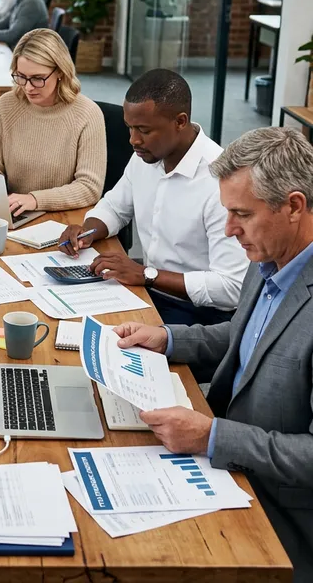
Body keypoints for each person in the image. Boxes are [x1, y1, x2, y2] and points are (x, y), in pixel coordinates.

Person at [113, 127, 313, 580]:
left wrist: (213, 438)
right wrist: (168, 339)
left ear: (294, 206)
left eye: (242, 214)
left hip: (281, 513)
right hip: (227, 469)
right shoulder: (271, 257)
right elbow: (251, 338)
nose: (228, 230)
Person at [59, 68, 248, 326]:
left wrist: (147, 274)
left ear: (180, 122)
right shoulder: (146, 157)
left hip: (198, 314)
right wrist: (86, 231)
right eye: (129, 128)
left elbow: (231, 288)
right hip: (149, 291)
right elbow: (115, 207)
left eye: (144, 130)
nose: (133, 140)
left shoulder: (220, 181)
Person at [0, 29, 105, 215]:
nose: (28, 87)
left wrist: (35, 199)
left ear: (60, 72)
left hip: (64, 217)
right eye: (21, 76)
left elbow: (89, 188)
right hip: (15, 212)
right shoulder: (7, 104)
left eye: (38, 79)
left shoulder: (88, 114)